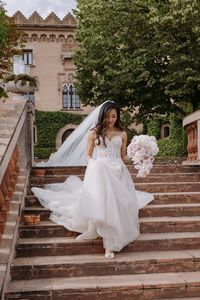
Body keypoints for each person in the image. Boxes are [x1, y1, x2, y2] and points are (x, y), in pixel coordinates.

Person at [32, 101, 153, 259]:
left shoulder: (122, 133)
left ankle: (115, 236)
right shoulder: (94, 133)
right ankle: (108, 245)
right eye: (108, 116)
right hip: (99, 171)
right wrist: (93, 164)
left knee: (117, 205)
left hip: (118, 172)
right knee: (104, 206)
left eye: (114, 116)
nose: (111, 119)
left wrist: (137, 156)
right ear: (102, 115)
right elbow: (88, 155)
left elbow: (123, 157)